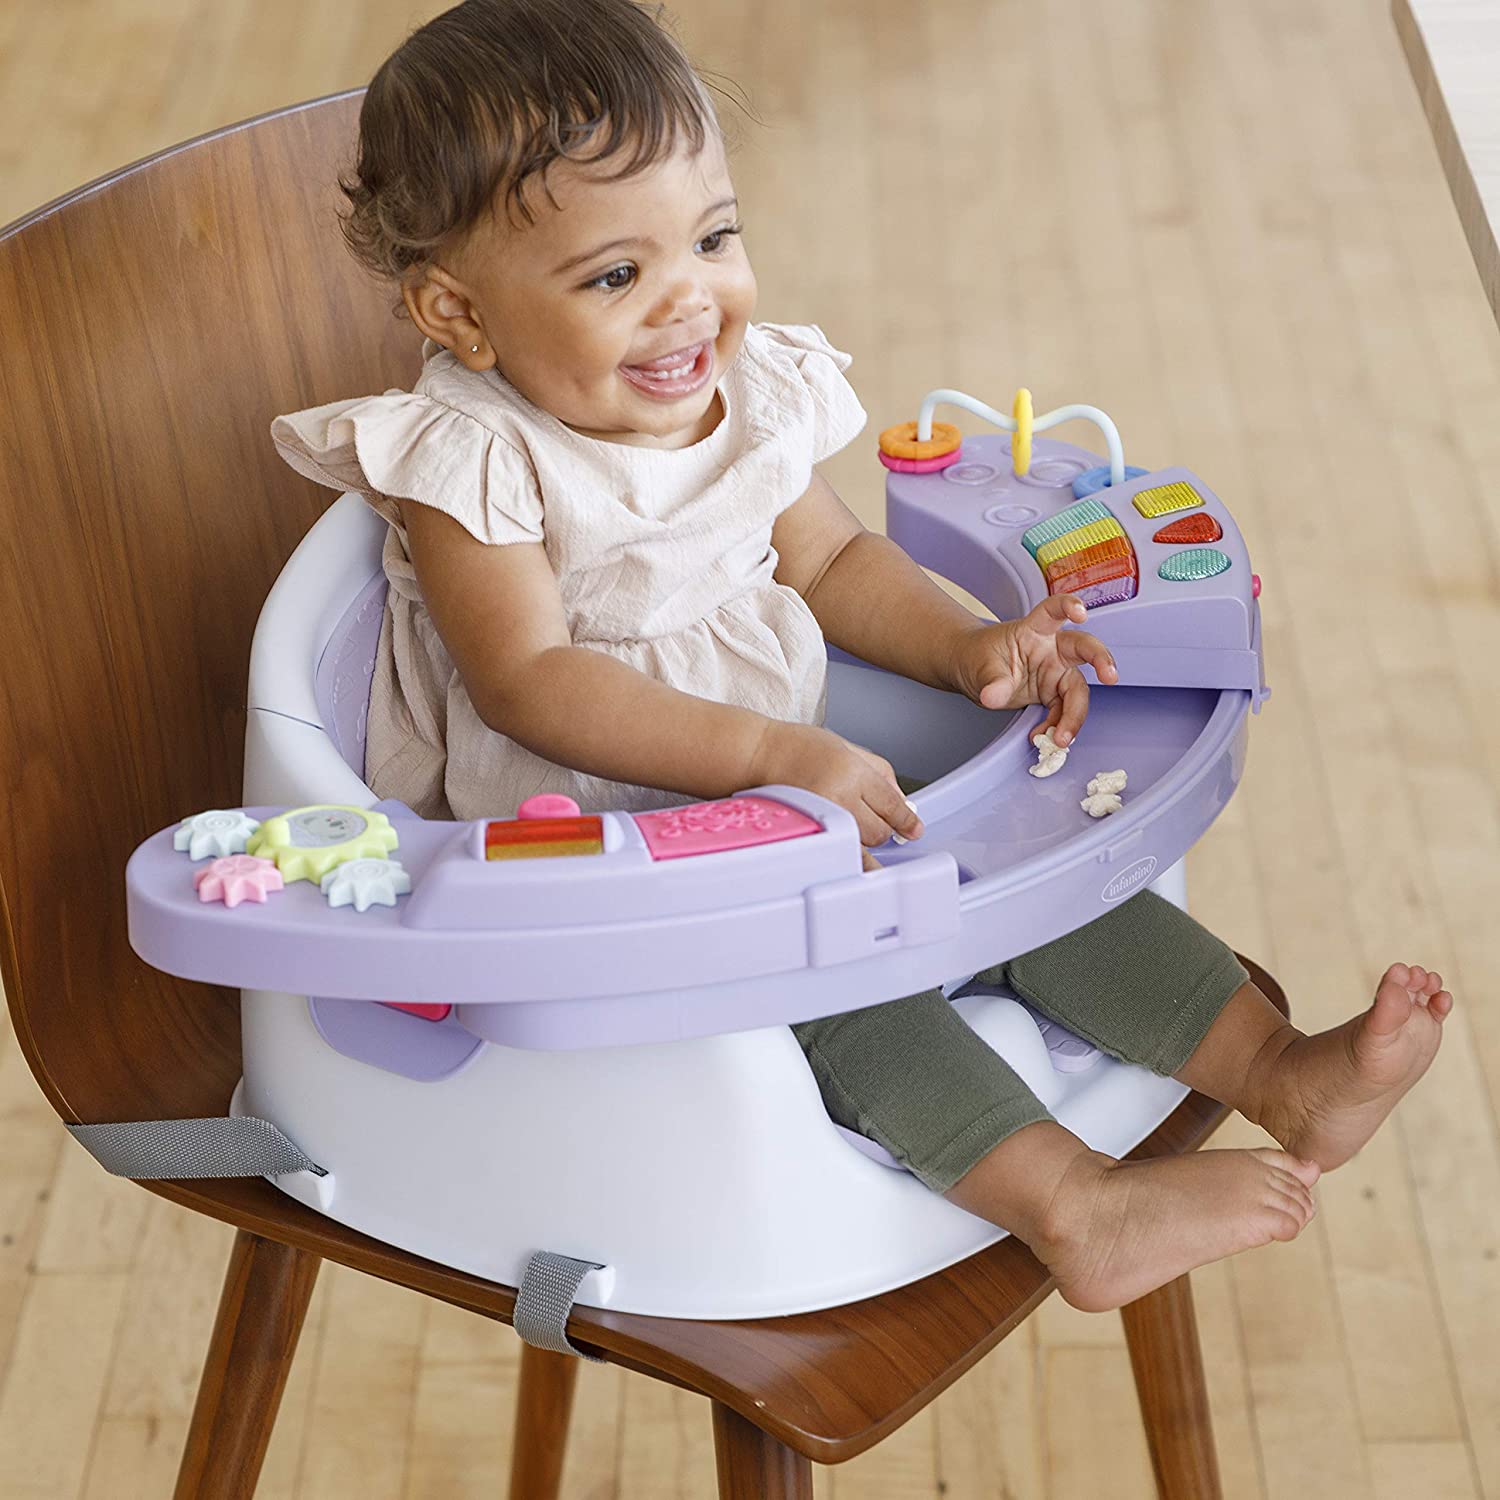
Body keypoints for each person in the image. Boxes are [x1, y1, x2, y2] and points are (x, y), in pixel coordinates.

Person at [270, 0, 1452, 1312]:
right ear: (461, 313)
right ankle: (1074, 1205)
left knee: (1019, 872)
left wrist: (967, 647)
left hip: (785, 776)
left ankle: (1282, 1072)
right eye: (615, 278)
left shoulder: (735, 395)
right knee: (832, 982)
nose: (689, 302)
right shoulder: (473, 458)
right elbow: (529, 682)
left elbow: (831, 562)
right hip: (604, 849)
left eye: (714, 238)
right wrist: (769, 754)